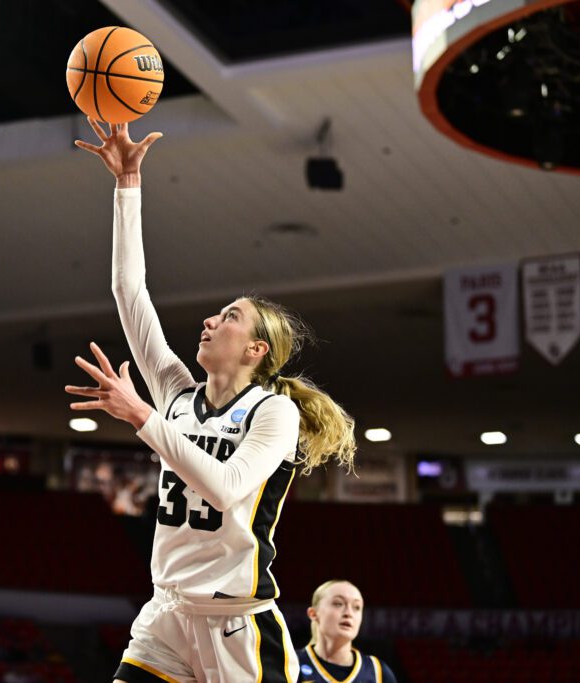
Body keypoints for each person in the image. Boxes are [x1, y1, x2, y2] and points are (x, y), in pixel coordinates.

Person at [67, 118, 357, 683]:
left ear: (255, 348)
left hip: (238, 626)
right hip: (166, 613)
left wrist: (141, 415)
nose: (209, 320)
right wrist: (128, 185)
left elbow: (225, 489)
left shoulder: (274, 411)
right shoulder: (177, 391)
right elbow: (129, 292)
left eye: (228, 316)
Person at [297, 581, 397, 683]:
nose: (349, 613)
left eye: (356, 607)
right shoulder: (292, 664)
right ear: (313, 614)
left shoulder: (378, 672)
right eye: (338, 604)